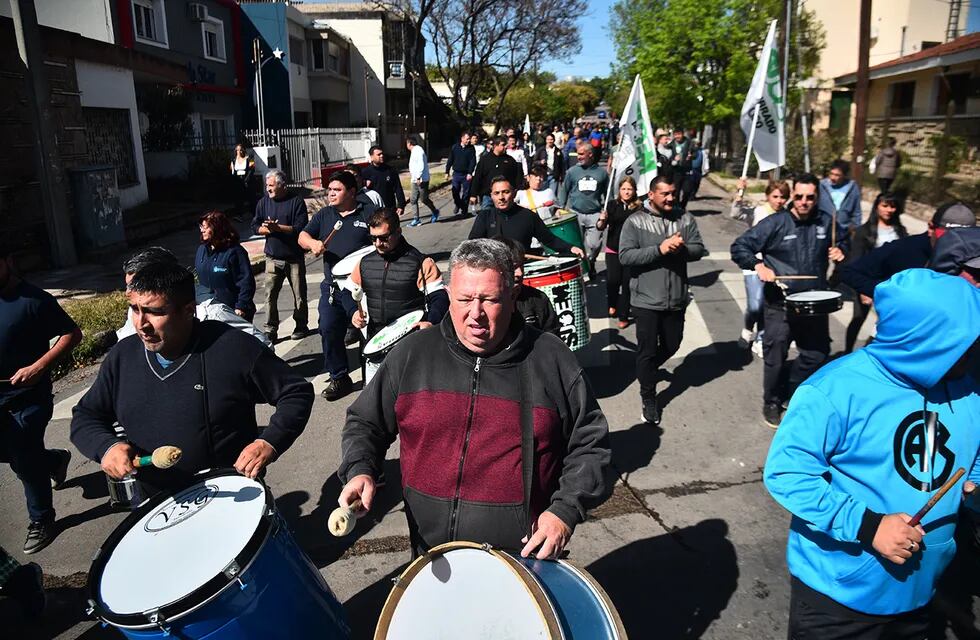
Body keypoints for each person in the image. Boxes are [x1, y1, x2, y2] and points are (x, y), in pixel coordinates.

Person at [337, 238, 610, 558]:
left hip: (523, 559)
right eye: (465, 299)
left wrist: (564, 511)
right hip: (430, 556)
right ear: (449, 295)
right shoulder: (412, 354)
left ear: (513, 296)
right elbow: (365, 421)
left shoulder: (552, 360)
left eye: (489, 300)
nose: (475, 314)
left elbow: (591, 442)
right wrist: (360, 468)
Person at [763, 268, 979, 640]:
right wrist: (869, 525)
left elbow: (971, 460)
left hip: (920, 587)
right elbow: (787, 475)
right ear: (926, 339)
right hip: (838, 597)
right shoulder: (833, 389)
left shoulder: (969, 389)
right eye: (967, 341)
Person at [71, 263, 313, 498]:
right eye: (135, 309)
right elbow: (86, 416)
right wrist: (106, 447)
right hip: (153, 505)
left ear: (188, 310)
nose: (141, 324)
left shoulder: (233, 347)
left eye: (155, 311)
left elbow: (296, 392)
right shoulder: (123, 356)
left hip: (230, 497)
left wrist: (269, 442)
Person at [730, 173, 848, 428]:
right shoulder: (776, 223)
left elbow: (844, 242)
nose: (804, 202)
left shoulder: (827, 222)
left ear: (817, 197)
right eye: (799, 196)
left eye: (810, 197)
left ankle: (790, 387)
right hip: (779, 303)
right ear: (792, 196)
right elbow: (740, 246)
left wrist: (841, 251)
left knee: (817, 354)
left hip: (814, 304)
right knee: (775, 357)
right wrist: (758, 265)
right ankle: (771, 400)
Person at [0, 246, 81, 553]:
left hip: (29, 397)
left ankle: (42, 519)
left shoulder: (34, 300)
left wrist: (38, 366)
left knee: (23, 454)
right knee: (18, 454)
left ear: (9, 260)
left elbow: (72, 335)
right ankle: (53, 459)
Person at [619, 176, 705, 426]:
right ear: (651, 195)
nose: (670, 198)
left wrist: (683, 249)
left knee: (673, 344)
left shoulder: (685, 218)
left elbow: (699, 249)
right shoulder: (635, 221)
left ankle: (644, 370)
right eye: (664, 193)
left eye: (673, 193)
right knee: (646, 351)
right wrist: (660, 249)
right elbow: (625, 256)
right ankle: (649, 397)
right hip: (645, 300)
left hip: (676, 298)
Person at [298, 171, 373, 401]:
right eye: (329, 189)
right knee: (329, 329)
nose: (331, 193)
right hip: (332, 287)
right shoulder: (324, 215)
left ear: (352, 192)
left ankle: (371, 379)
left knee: (366, 332)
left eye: (337, 190)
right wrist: (312, 243)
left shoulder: (367, 212)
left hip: (360, 288)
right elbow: (302, 236)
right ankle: (339, 377)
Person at [349, 208, 449, 380]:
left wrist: (431, 321)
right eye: (373, 238)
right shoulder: (365, 263)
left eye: (384, 237)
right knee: (374, 404)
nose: (378, 243)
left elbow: (439, 298)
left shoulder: (421, 262)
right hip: (376, 342)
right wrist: (352, 312)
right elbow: (346, 292)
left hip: (410, 344)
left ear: (398, 231)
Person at [117, 247, 270, 347]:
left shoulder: (210, 313)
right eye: (128, 286)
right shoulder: (136, 311)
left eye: (135, 285)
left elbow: (261, 345)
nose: (128, 293)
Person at [838, 202, 976, 300]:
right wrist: (887, 294)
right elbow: (849, 271)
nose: (953, 247)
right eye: (946, 238)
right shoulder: (903, 248)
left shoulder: (976, 256)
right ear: (930, 228)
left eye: (963, 240)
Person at [841, 193, 907, 354]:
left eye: (892, 206)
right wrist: (864, 290)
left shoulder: (901, 231)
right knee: (858, 318)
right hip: (868, 282)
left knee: (886, 321)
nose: (889, 210)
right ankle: (847, 351)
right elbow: (856, 262)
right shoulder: (863, 232)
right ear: (877, 206)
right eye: (885, 205)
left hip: (891, 283)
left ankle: (877, 352)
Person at [733, 179, 791, 358]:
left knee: (770, 305)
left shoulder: (788, 217)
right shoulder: (758, 211)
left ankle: (761, 338)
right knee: (755, 305)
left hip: (775, 268)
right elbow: (736, 213)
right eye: (775, 196)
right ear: (767, 196)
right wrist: (740, 193)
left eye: (783, 197)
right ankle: (748, 328)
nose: (779, 200)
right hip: (754, 265)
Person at [251, 169, 309, 343]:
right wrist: (266, 229)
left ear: (282, 185)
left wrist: (279, 228)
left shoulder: (296, 201)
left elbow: (300, 227)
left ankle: (301, 325)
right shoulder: (263, 203)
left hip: (294, 257)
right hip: (272, 257)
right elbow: (254, 225)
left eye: (271, 185)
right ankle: (270, 329)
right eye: (266, 185)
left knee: (299, 295)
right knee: (269, 295)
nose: (268, 189)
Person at [469, 176, 585, 259]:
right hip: (493, 273)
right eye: (496, 193)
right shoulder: (484, 217)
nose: (501, 197)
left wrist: (570, 248)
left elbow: (550, 240)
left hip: (523, 271)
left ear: (514, 194)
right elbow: (472, 246)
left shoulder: (528, 216)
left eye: (505, 192)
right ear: (491, 196)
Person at [597, 175, 642, 330]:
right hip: (613, 249)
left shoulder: (639, 208)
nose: (627, 192)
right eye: (624, 189)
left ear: (635, 191)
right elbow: (600, 227)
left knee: (627, 284)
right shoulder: (612, 205)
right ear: (619, 190)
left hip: (631, 251)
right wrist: (602, 220)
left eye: (630, 189)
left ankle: (624, 315)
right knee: (613, 281)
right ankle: (612, 304)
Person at [559, 142, 610, 280]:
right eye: (578, 154)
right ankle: (581, 269)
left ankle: (590, 262)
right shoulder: (572, 172)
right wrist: (560, 208)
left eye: (581, 154)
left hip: (594, 213)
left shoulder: (602, 173)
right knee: (576, 245)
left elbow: (607, 194)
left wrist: (606, 210)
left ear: (590, 154)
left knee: (594, 245)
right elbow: (564, 190)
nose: (579, 157)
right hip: (575, 213)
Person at [195, 211, 256, 322]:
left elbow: (246, 282)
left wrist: (241, 306)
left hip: (232, 311)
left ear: (217, 228)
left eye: (205, 227)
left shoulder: (235, 252)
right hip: (209, 311)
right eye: (201, 227)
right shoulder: (201, 250)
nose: (202, 230)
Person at [497, 237, 560, 335]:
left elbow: (553, 336)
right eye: (513, 267)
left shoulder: (538, 298)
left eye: (521, 266)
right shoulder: (483, 303)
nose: (520, 273)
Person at [470, 136, 524, 209]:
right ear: (495, 145)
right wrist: (473, 195)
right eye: (503, 145)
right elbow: (477, 177)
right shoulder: (485, 160)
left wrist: (517, 189)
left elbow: (517, 176)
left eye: (506, 145)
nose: (506, 147)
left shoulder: (510, 160)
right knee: (487, 217)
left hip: (505, 196)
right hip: (488, 196)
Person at [361, 146, 406, 215]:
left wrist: (401, 205)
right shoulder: (365, 172)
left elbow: (398, 188)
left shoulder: (390, 170)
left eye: (382, 154)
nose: (381, 156)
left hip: (389, 207)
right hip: (373, 209)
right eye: (378, 154)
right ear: (371, 157)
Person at [819, 159, 863, 231]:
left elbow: (856, 211)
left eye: (837, 175)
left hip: (844, 229)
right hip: (824, 228)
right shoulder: (822, 186)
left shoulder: (852, 187)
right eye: (831, 173)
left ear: (844, 175)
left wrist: (856, 228)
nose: (833, 178)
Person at [406, 135, 439, 227]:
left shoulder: (418, 151)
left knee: (424, 199)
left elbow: (421, 165)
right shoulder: (414, 151)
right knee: (413, 199)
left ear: (409, 143)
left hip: (421, 179)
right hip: (414, 179)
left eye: (407, 143)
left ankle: (435, 211)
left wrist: (418, 177)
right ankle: (416, 219)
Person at [515, 164, 558, 231]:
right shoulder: (521, 193)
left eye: (541, 176)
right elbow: (512, 207)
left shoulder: (549, 192)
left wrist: (558, 212)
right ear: (528, 178)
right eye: (535, 175)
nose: (538, 178)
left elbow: (557, 208)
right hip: (528, 230)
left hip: (548, 229)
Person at [446, 132, 476, 216]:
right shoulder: (455, 147)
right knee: (455, 191)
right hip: (456, 173)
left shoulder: (471, 148)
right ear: (462, 139)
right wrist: (447, 171)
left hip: (466, 174)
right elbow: (450, 159)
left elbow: (472, 161)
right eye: (467, 139)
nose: (468, 141)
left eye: (469, 139)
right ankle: (458, 204)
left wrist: (470, 173)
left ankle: (464, 210)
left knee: (466, 193)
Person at [668, 128, 695, 208]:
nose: (677, 136)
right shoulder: (671, 144)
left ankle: (682, 206)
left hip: (687, 170)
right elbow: (667, 157)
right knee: (676, 191)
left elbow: (695, 153)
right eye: (676, 135)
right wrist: (673, 160)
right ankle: (676, 208)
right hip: (676, 171)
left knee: (687, 191)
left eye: (679, 134)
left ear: (683, 134)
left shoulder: (689, 143)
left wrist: (691, 156)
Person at [229, 143, 255, 219]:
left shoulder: (249, 158)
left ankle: (254, 214)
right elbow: (231, 171)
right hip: (238, 180)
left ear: (244, 150)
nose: (239, 151)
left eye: (241, 150)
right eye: (237, 150)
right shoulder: (233, 160)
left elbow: (252, 169)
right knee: (239, 198)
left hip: (247, 180)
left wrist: (247, 179)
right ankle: (239, 214)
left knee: (251, 198)